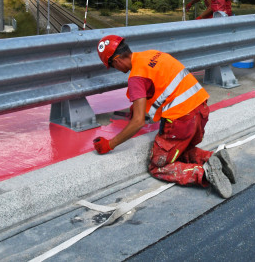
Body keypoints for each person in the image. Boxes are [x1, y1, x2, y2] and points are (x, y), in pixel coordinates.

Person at [92, 35, 237, 198]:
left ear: (117, 59)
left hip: (181, 122)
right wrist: (137, 104)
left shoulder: (136, 79)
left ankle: (203, 173)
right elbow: (161, 82)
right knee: (179, 151)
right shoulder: (152, 55)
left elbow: (138, 121)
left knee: (158, 166)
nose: (115, 69)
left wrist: (110, 144)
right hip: (201, 111)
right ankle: (213, 158)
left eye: (112, 66)